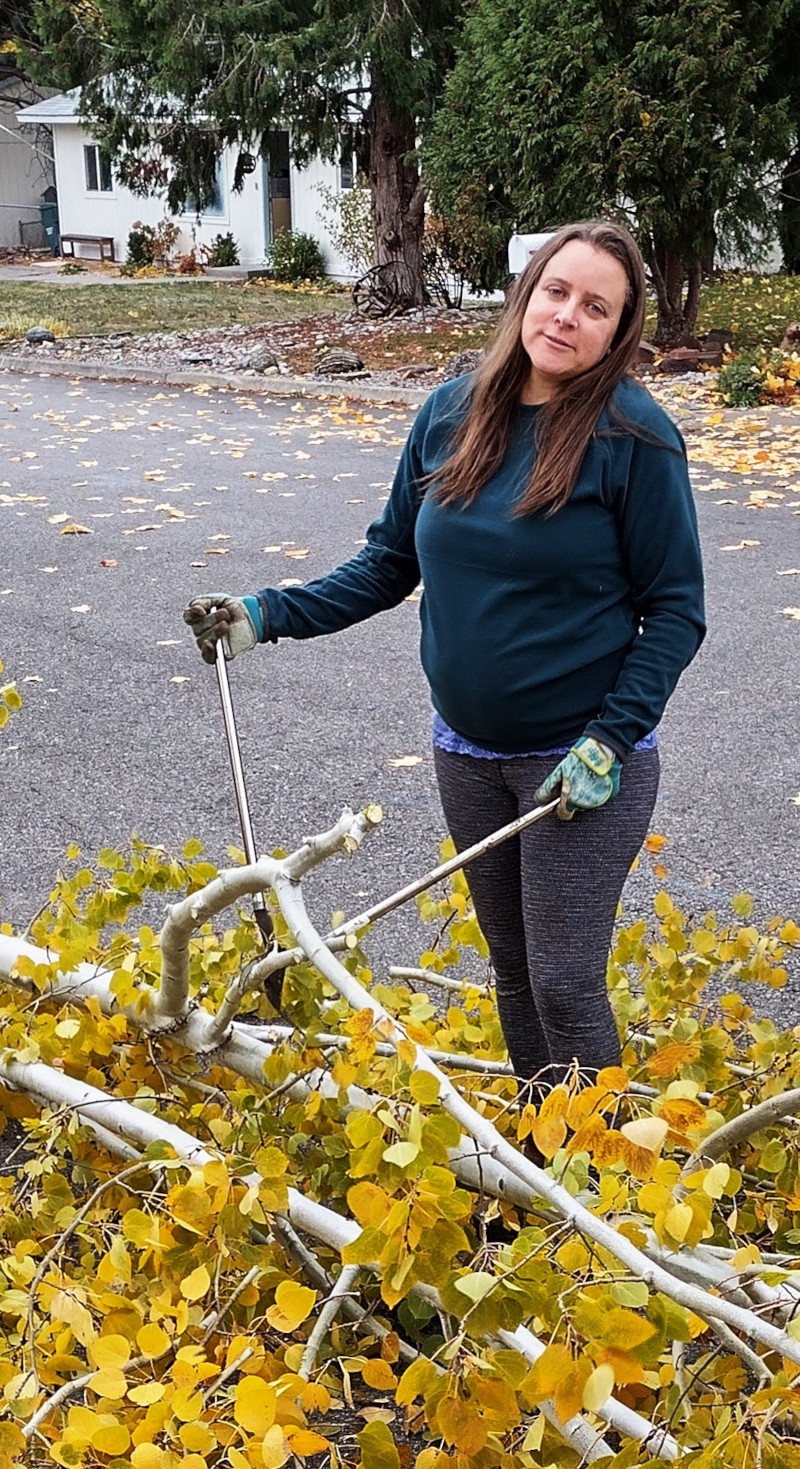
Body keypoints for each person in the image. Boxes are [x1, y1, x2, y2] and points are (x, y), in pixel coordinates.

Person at [184, 219, 705, 1090]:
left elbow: (677, 611)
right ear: (526, 293)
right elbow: (390, 562)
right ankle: (547, 1166)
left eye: (597, 307)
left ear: (618, 331)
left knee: (567, 983)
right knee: (514, 973)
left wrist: (611, 740)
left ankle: (602, 1192)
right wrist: (263, 614)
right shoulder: (450, 414)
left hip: (578, 765)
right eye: (557, 291)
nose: (569, 315)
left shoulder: (634, 439)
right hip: (468, 754)